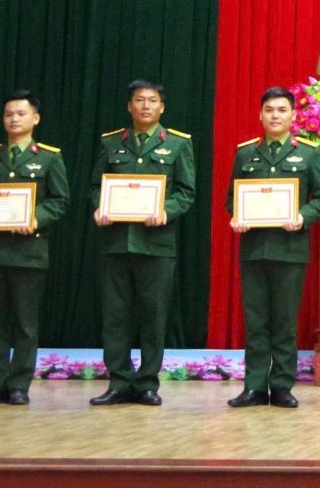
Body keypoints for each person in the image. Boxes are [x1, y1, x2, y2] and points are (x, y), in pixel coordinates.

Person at [89, 79, 197, 406]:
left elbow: (186, 192)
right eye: (139, 100)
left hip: (156, 244)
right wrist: (100, 207)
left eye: (152, 101)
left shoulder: (178, 144)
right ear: (129, 106)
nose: (145, 106)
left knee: (154, 316)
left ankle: (148, 382)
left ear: (162, 107)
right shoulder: (111, 143)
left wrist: (166, 211)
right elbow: (96, 186)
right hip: (117, 243)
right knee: (115, 317)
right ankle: (119, 382)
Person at [226, 87, 320, 409]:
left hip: (289, 249)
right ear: (260, 115)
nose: (275, 116)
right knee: (256, 321)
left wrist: (302, 216)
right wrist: (237, 216)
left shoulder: (309, 154)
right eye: (269, 110)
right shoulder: (246, 153)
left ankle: (283, 385)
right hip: (254, 248)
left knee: (284, 322)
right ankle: (254, 386)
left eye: (282, 110)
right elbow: (232, 198)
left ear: (293, 115)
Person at [0, 91, 69, 406]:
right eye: (9, 114)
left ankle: (19, 385)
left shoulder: (49, 157)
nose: (14, 119)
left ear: (35, 119)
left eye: (21, 114)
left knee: (25, 324)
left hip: (28, 253)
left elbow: (60, 200)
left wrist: (35, 219)